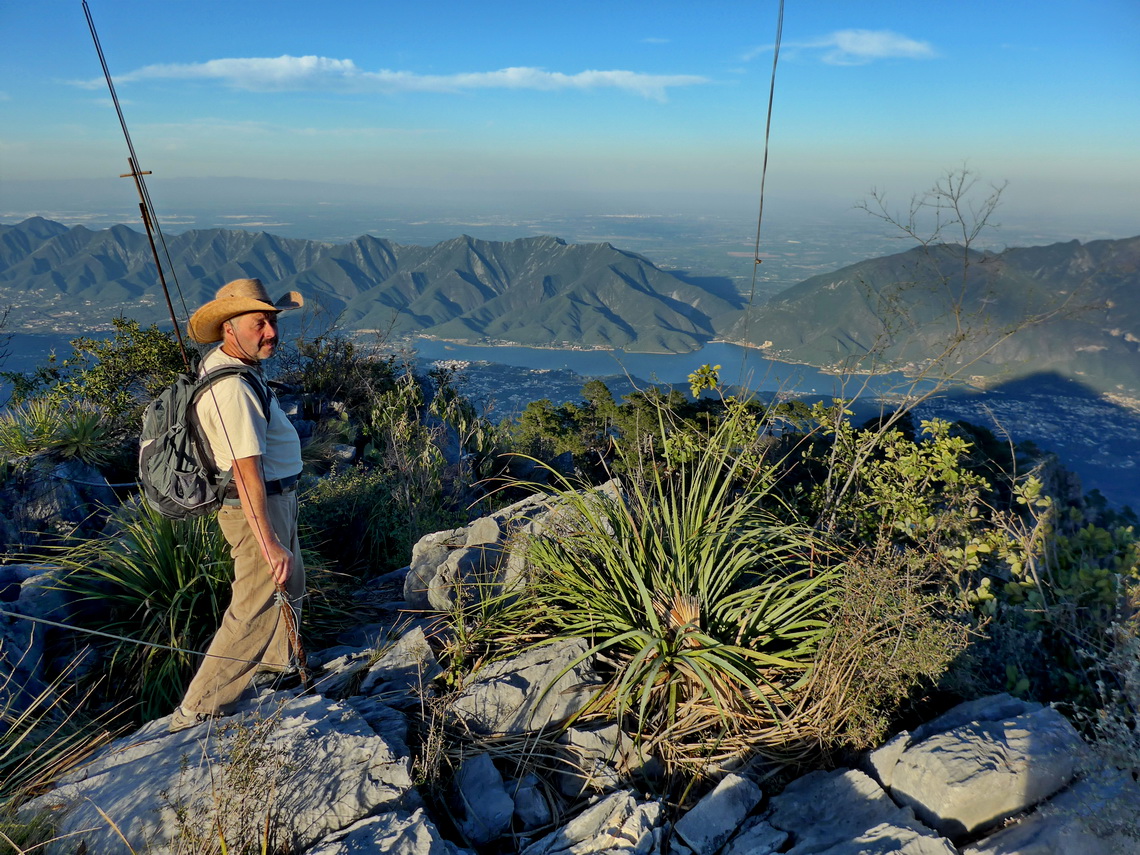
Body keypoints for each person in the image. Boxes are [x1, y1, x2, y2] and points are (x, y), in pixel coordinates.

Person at [169, 278, 305, 733]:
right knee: (254, 603)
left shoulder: (232, 367)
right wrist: (268, 541)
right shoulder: (233, 390)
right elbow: (247, 472)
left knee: (291, 584)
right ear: (229, 328)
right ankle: (199, 708)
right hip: (257, 507)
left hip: (274, 500)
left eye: (271, 321)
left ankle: (277, 671)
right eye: (258, 323)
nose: (270, 332)